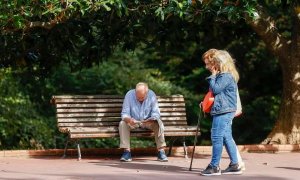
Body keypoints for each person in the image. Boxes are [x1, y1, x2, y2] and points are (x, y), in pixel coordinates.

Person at [200, 49, 243, 176]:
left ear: (218, 63)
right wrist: (206, 102)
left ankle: (214, 166)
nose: (208, 66)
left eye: (210, 63)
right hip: (224, 109)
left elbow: (216, 89)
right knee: (226, 137)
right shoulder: (225, 76)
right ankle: (235, 165)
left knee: (216, 137)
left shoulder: (225, 76)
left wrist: (212, 76)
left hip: (223, 111)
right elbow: (215, 94)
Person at [119, 82, 168, 162]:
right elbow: (124, 113)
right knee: (122, 123)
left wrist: (152, 119)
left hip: (148, 122)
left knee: (159, 123)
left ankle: (161, 151)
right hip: (134, 122)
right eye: (138, 97)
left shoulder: (151, 95)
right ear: (135, 92)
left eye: (142, 98)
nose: (139, 99)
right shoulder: (129, 95)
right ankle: (127, 152)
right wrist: (129, 120)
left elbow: (156, 112)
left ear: (147, 93)